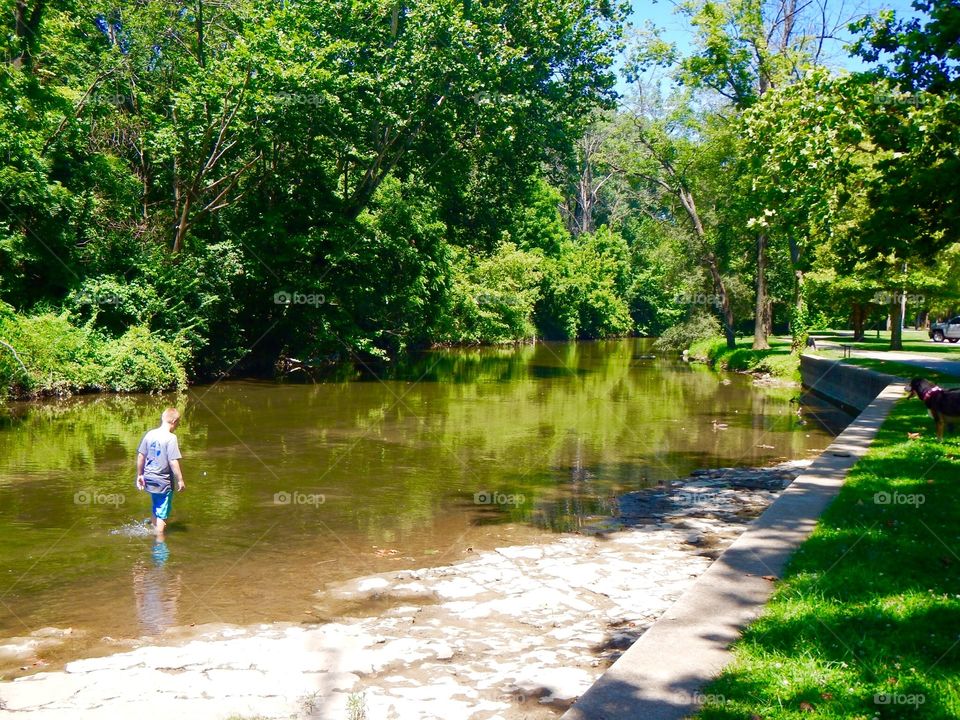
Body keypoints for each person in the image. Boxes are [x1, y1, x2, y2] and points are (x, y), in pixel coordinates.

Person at [136, 407, 186, 538]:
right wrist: (180, 480)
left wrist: (140, 475)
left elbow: (141, 455)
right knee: (163, 512)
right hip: (163, 480)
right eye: (178, 423)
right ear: (174, 421)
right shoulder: (171, 438)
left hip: (149, 477)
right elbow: (173, 461)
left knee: (156, 505)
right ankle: (159, 541)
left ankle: (154, 530)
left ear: (163, 418)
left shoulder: (150, 434)